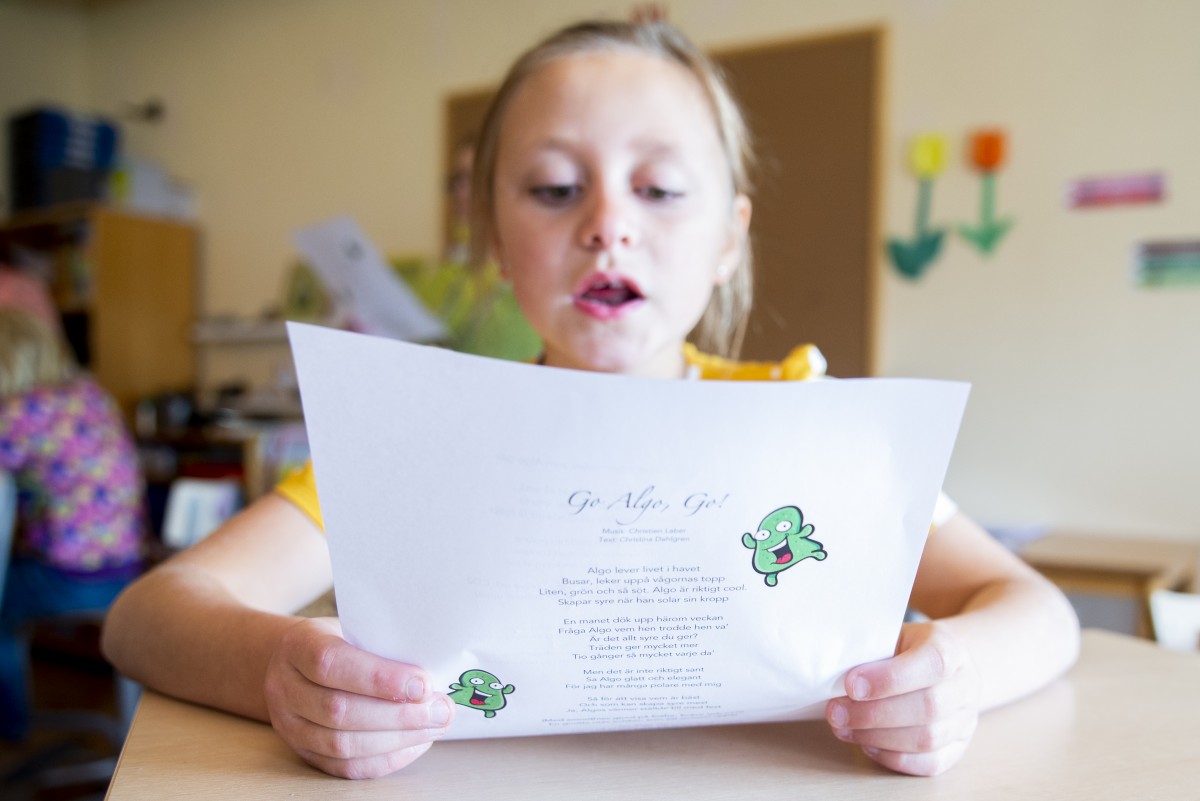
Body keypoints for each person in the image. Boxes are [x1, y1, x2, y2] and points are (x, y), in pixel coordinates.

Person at [102, 19, 1080, 780]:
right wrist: (282, 668)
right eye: (555, 188)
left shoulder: (805, 423)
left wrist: (954, 676)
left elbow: (1036, 610)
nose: (609, 224)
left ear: (728, 239)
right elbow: (145, 617)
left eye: (661, 190)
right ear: (492, 236)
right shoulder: (420, 446)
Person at [0, 307, 145, 741]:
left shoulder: (20, 412)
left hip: (71, 579)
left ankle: (10, 728)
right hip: (125, 570)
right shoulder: (90, 395)